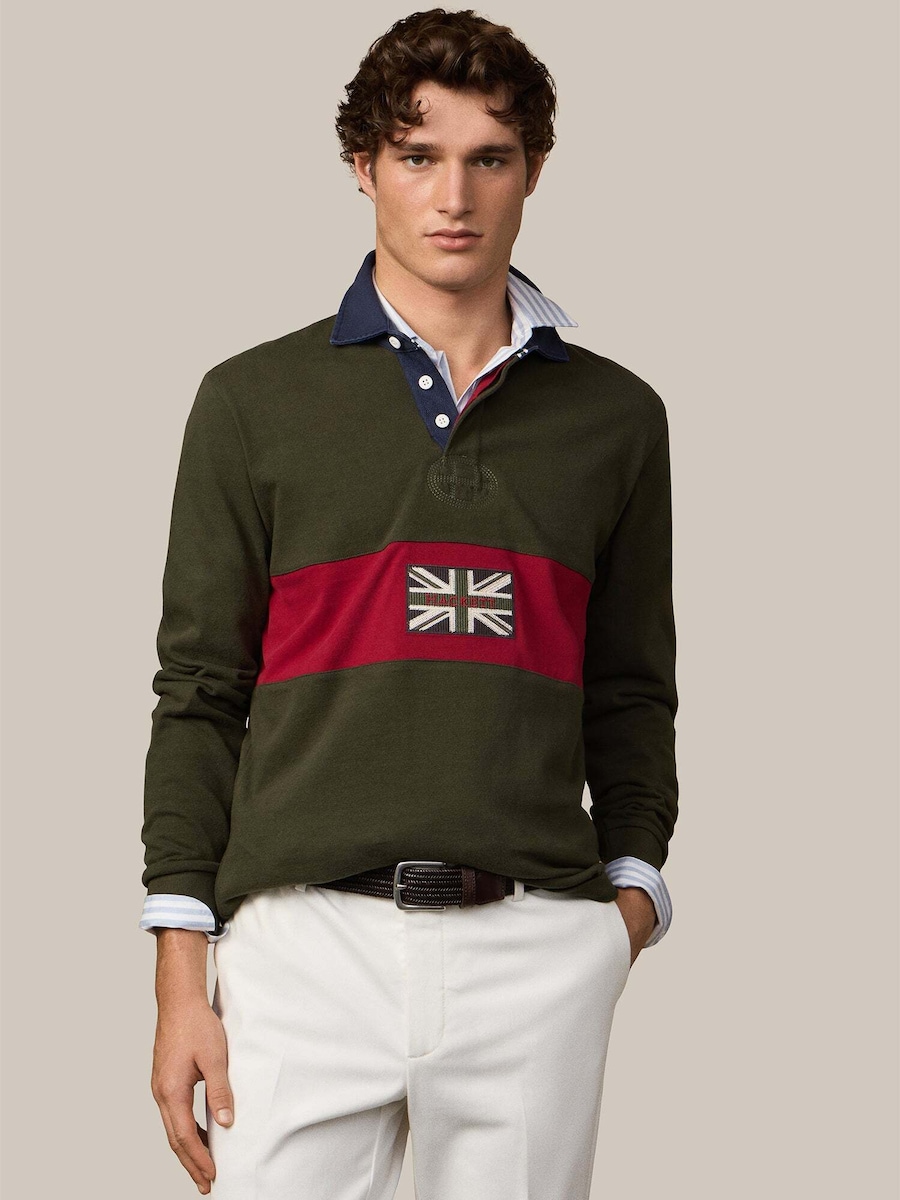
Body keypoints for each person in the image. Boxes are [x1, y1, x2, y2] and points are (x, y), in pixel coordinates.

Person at [139, 9, 679, 1198]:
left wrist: (630, 899)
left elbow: (632, 689)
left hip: (537, 946)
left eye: (490, 158)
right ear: (363, 166)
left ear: (534, 169)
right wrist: (181, 976)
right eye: (418, 156)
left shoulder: (617, 420)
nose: (455, 196)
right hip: (302, 947)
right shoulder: (251, 403)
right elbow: (202, 692)